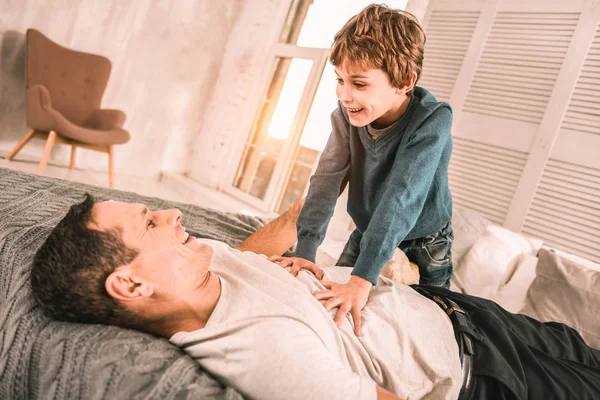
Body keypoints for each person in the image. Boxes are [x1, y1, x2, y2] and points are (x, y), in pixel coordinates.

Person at [31, 195, 600, 400]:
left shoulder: (197, 261)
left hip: (459, 311)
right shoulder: (265, 354)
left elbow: (246, 254)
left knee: (580, 346)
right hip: (484, 373)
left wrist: (314, 203)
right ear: (130, 285)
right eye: (150, 223)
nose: (173, 213)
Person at [274, 4, 455, 335]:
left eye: (358, 83)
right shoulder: (346, 115)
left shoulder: (433, 120)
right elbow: (325, 181)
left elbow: (401, 197)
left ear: (404, 81)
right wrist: (306, 250)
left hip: (426, 238)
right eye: (339, 80)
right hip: (370, 227)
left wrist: (362, 279)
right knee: (332, 298)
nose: (344, 94)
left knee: (439, 316)